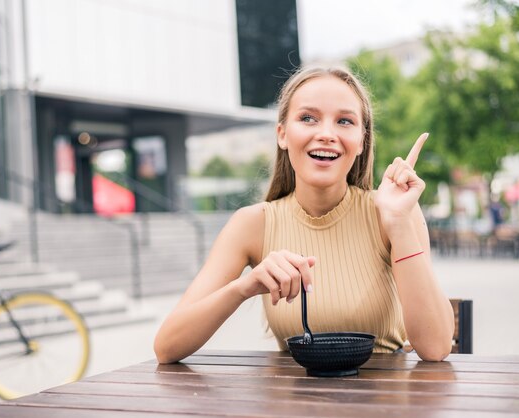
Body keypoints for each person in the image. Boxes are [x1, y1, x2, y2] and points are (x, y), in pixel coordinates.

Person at [154, 67, 454, 363]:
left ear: (361, 141)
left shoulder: (395, 211)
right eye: (308, 118)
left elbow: (436, 347)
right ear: (282, 134)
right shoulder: (252, 224)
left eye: (344, 121)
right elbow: (167, 347)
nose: (326, 134)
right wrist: (244, 287)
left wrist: (399, 223)